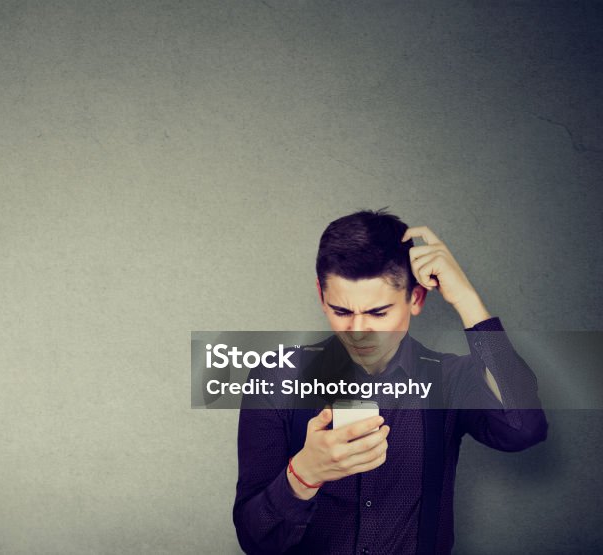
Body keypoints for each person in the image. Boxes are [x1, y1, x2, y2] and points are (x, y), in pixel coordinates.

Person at [232, 209, 547, 554]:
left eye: (378, 313)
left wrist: (467, 300)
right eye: (341, 311)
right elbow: (253, 539)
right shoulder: (277, 378)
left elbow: (523, 428)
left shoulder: (448, 379)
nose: (358, 331)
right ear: (321, 296)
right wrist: (304, 474)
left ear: (416, 298)